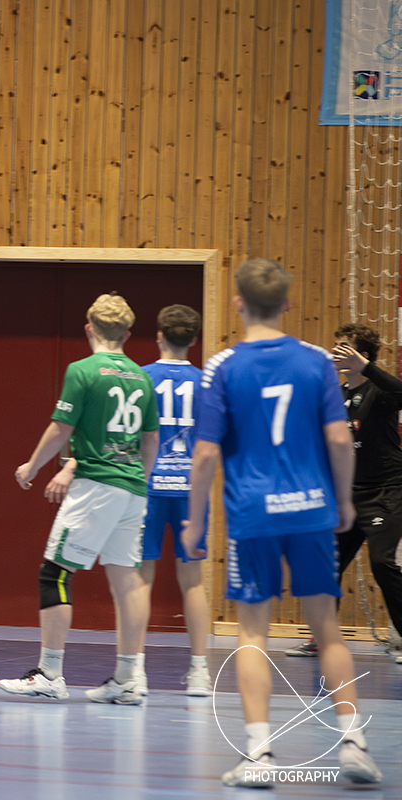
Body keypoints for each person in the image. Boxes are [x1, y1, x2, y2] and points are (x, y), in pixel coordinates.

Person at [182, 257, 382, 787]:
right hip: (311, 509)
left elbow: (203, 456)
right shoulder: (317, 362)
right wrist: (343, 501)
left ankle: (259, 755)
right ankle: (354, 742)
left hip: (253, 514)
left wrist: (194, 523)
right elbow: (340, 439)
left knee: (252, 634)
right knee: (327, 628)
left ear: (239, 303)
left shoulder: (223, 367)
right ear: (289, 303)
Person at [0, 293, 157, 705]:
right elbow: (151, 440)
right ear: (127, 333)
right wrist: (140, 476)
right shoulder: (142, 378)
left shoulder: (83, 371)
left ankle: (50, 673)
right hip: (133, 488)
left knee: (55, 574)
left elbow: (60, 428)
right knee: (127, 582)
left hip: (96, 486)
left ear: (89, 329)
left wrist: (31, 467)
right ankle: (127, 679)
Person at [283, 324, 402, 662]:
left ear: (362, 355)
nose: (337, 351)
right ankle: (322, 638)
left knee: (381, 563)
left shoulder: (380, 392)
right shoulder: (335, 395)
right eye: (335, 345)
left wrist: (366, 368)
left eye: (345, 346)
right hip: (347, 495)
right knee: (325, 566)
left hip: (386, 491)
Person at [134, 304, 212, 696]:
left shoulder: (141, 378)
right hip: (190, 491)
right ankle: (199, 672)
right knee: (193, 582)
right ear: (194, 340)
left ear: (159, 335)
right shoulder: (207, 383)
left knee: (139, 581)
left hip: (147, 488)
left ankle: (134, 672)